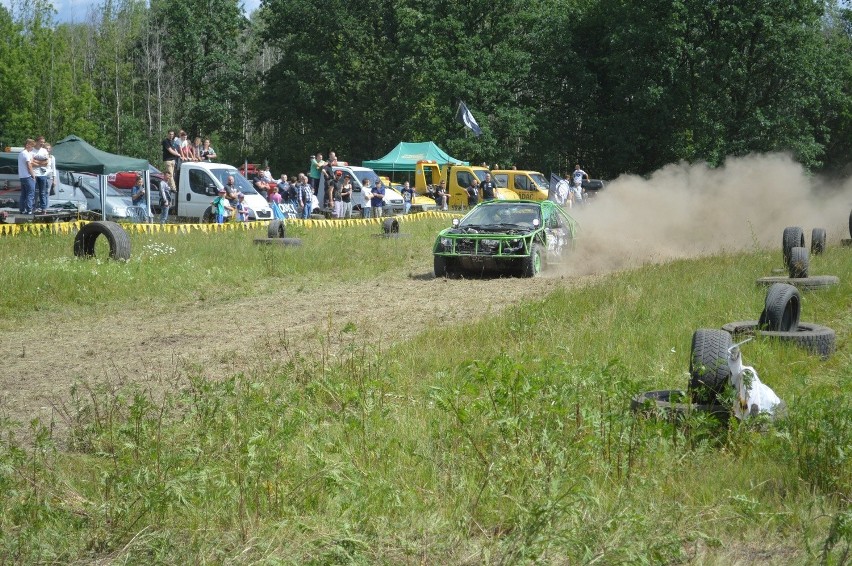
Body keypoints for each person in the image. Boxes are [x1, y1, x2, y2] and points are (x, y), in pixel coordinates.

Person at [31, 136, 52, 213]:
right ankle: (33, 207)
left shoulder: (44, 151)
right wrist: (40, 163)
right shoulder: (32, 151)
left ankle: (43, 208)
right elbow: (31, 162)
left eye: (43, 142)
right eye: (41, 142)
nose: (42, 144)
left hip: (43, 174)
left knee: (42, 192)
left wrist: (37, 161)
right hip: (34, 174)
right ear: (37, 141)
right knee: (34, 192)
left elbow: (46, 162)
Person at [17, 138, 35, 215]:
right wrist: (33, 175)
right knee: (30, 193)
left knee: (23, 194)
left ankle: (22, 209)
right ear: (27, 145)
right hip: (27, 176)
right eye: (32, 146)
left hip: (22, 176)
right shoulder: (26, 154)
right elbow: (29, 166)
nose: (32, 148)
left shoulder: (21, 153)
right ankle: (29, 210)